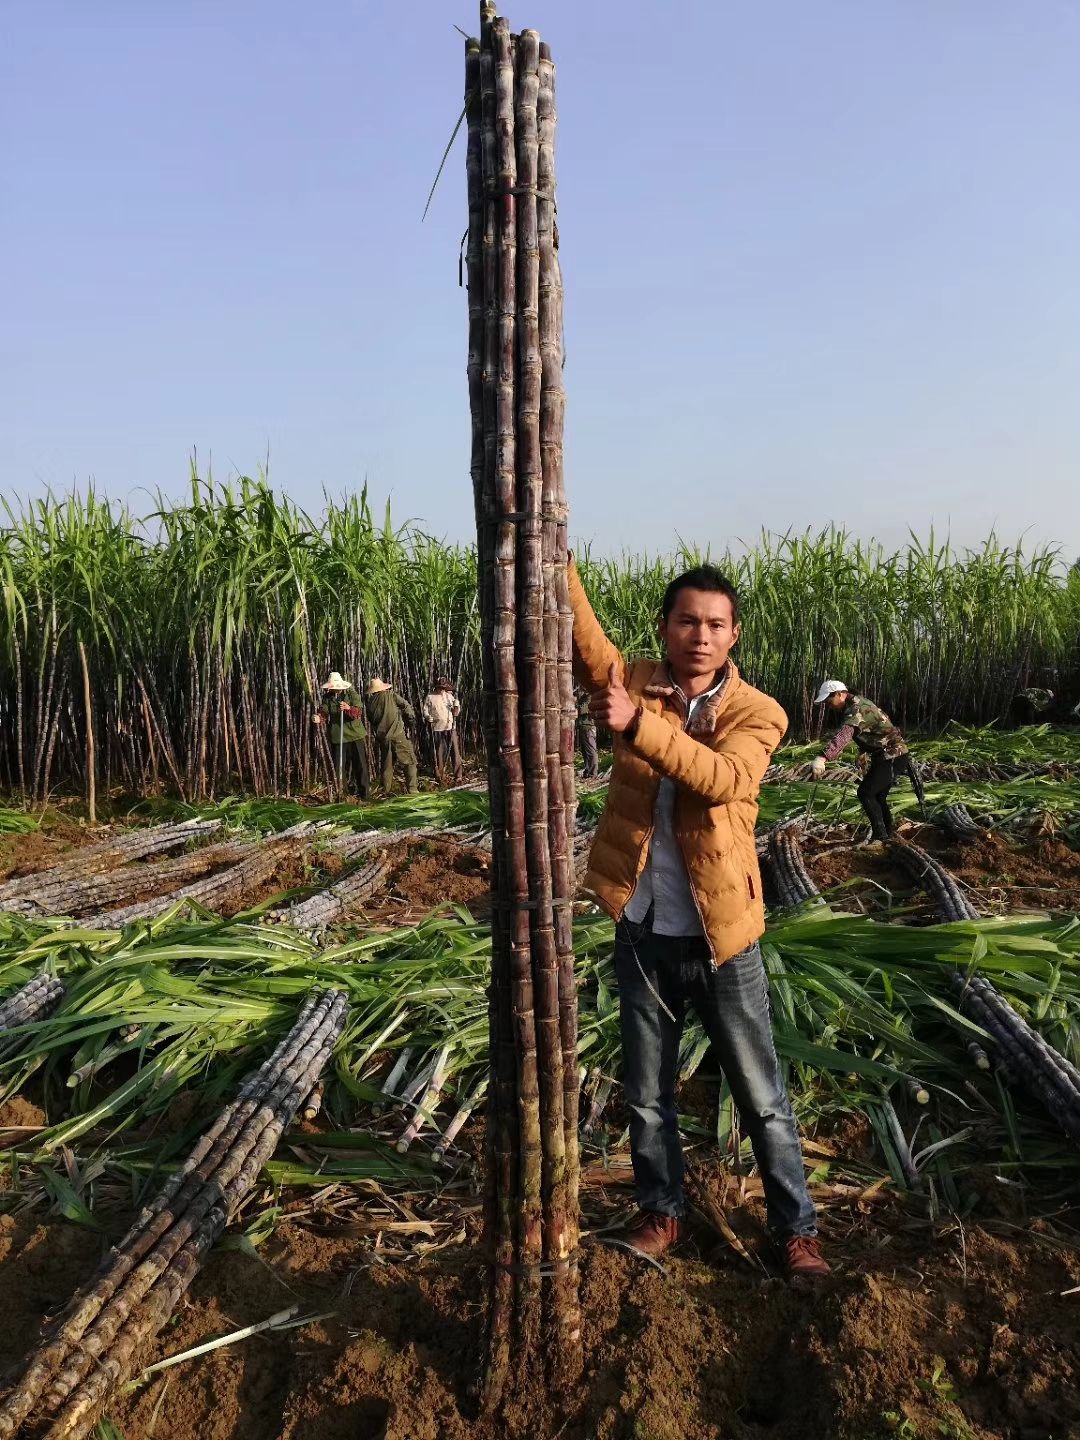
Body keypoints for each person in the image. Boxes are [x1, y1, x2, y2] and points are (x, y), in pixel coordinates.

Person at [571, 557, 829, 1285]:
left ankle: (796, 1232)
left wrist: (637, 728)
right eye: (687, 620)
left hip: (723, 941)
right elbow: (588, 647)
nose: (700, 635)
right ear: (665, 627)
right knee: (647, 1093)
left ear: (733, 635)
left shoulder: (759, 712)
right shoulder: (640, 682)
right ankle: (661, 1213)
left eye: (715, 624)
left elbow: (724, 780)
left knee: (761, 1098)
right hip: (644, 928)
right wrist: (558, 563)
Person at [811, 680, 912, 842]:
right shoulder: (855, 704)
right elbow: (872, 730)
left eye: (829, 700)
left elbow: (844, 735)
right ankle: (887, 836)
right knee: (878, 797)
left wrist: (823, 757)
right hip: (887, 755)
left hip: (893, 755)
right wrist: (863, 750)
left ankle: (881, 838)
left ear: (839, 694)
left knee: (866, 793)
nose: (828, 705)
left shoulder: (856, 709)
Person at [313, 671, 370, 800]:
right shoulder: (328, 697)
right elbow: (324, 711)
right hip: (338, 736)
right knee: (339, 767)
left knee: (360, 764)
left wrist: (348, 708)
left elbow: (358, 713)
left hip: (355, 734)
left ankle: (365, 795)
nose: (334, 689)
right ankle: (342, 795)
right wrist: (319, 717)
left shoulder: (351, 693)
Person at [365, 678, 418, 794]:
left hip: (382, 738)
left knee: (387, 765)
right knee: (409, 761)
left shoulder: (370, 703)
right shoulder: (390, 695)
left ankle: (386, 791)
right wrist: (411, 719)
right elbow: (405, 705)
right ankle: (413, 791)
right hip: (397, 735)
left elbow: (371, 721)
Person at [422, 677, 464, 784]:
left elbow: (456, 713)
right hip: (437, 728)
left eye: (443, 688)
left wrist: (456, 706)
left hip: (450, 727)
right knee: (439, 752)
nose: (442, 690)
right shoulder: (430, 697)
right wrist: (428, 717)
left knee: (455, 751)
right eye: (440, 687)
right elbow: (425, 710)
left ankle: (458, 775)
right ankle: (440, 774)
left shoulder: (449, 696)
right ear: (437, 687)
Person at [576, 685, 599, 779]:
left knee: (590, 750)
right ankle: (588, 771)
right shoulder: (584, 697)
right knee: (585, 751)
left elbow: (582, 710)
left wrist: (574, 703)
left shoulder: (589, 697)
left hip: (588, 727)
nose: (581, 688)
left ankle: (593, 773)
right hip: (584, 726)